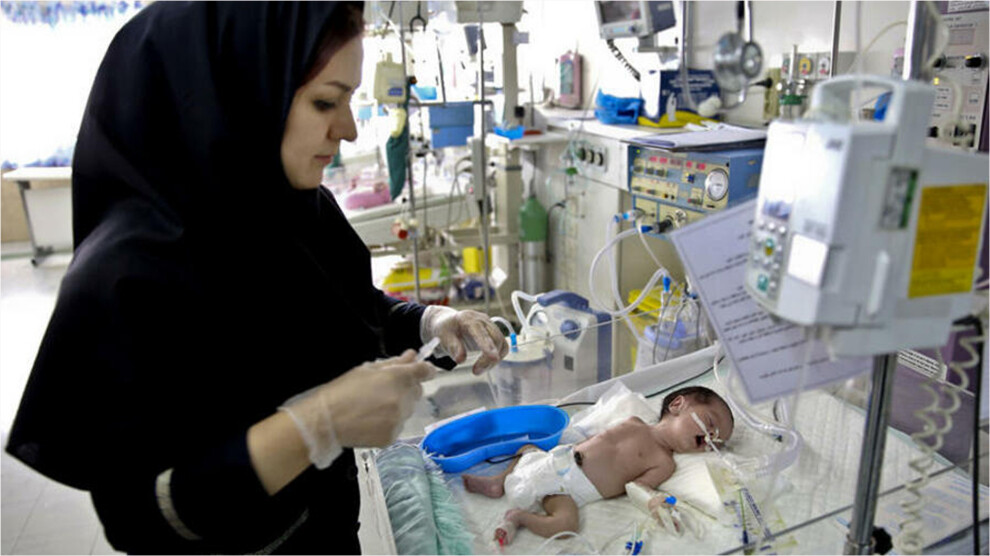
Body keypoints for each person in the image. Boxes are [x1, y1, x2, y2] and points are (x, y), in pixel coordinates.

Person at [4, 2, 507, 554]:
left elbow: (340, 310)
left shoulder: (288, 209)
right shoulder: (126, 275)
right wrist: (318, 424)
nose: (347, 129)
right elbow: (141, 518)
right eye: (325, 102)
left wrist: (430, 322)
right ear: (239, 92)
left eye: (348, 101)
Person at [462, 386, 734, 544]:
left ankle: (518, 518)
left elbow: (637, 486)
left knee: (566, 524)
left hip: (570, 491)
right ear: (677, 405)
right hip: (559, 458)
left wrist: (653, 502)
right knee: (526, 450)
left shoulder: (665, 463)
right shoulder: (634, 422)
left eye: (717, 441)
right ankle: (499, 481)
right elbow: (594, 438)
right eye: (710, 423)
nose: (711, 437)